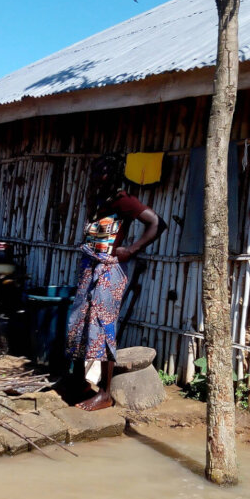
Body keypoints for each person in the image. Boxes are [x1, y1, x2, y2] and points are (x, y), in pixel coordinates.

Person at [65, 154, 160, 411]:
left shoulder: (123, 200)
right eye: (96, 171)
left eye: (104, 171)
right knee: (78, 324)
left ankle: (105, 394)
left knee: (102, 327)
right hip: (89, 267)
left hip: (108, 272)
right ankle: (81, 382)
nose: (99, 176)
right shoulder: (99, 199)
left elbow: (156, 223)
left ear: (115, 175)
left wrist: (131, 249)